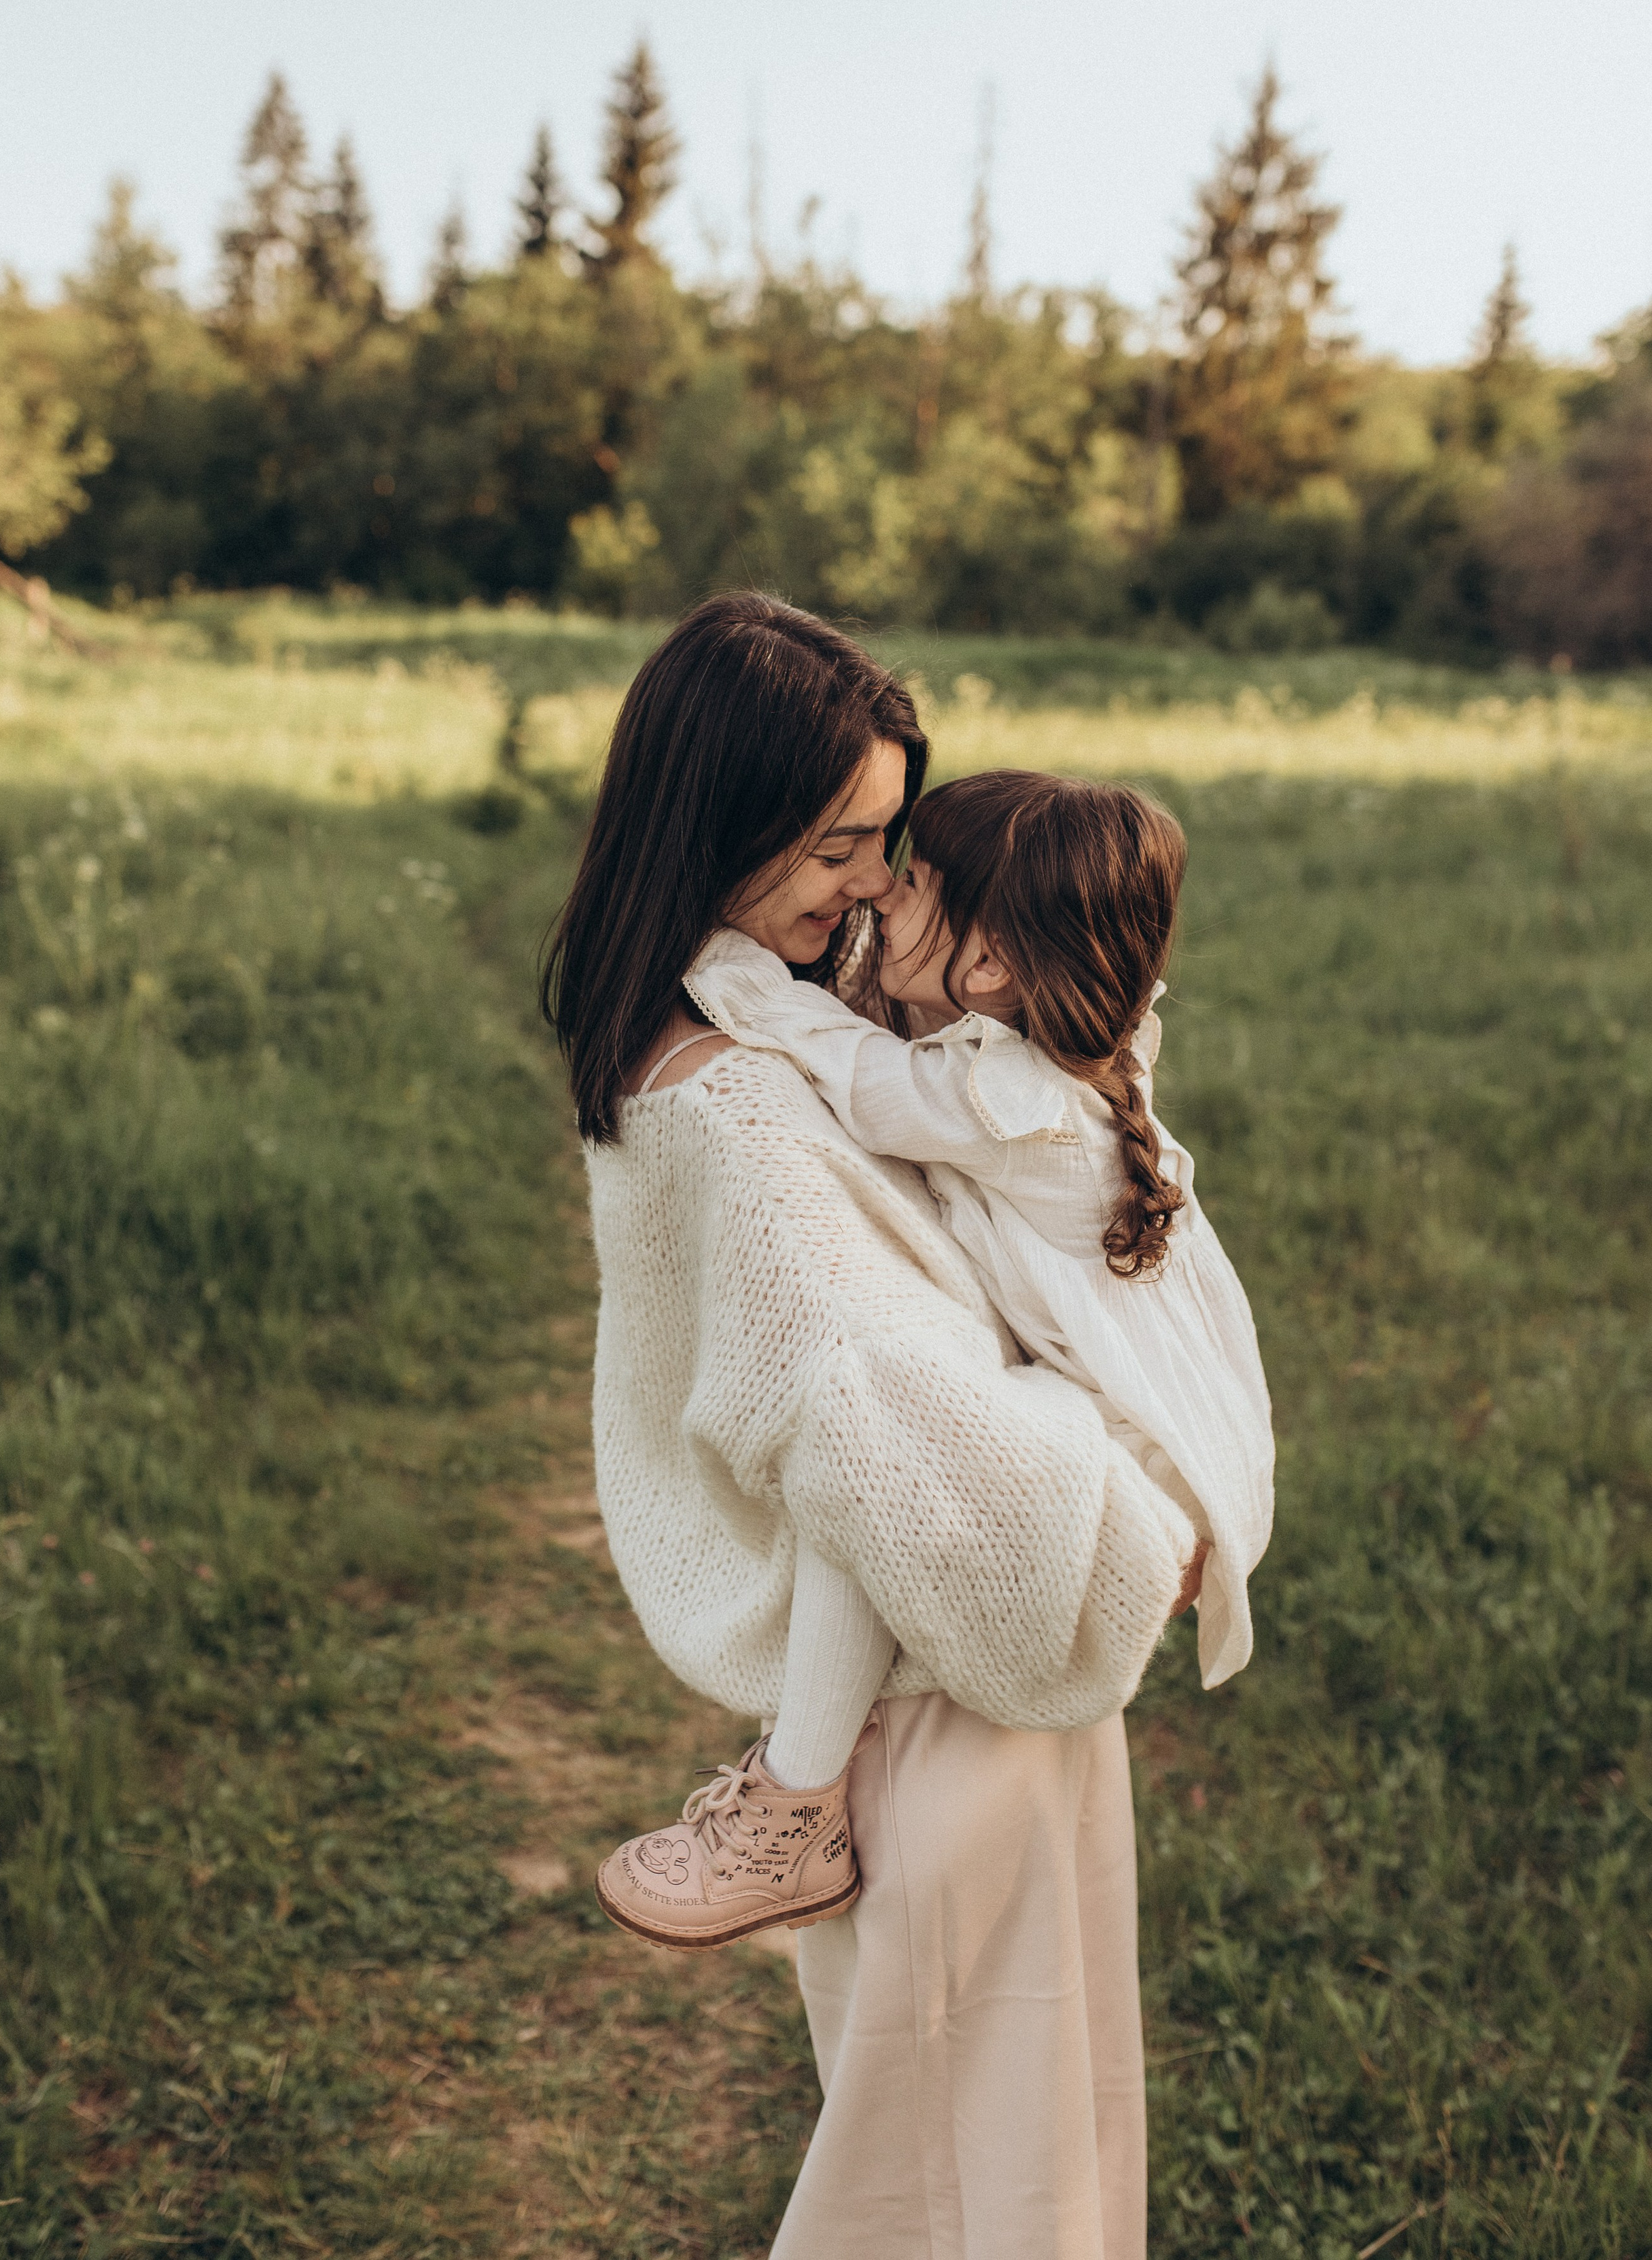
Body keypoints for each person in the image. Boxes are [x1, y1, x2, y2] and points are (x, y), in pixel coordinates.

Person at [544, 591, 1201, 2259]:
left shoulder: (705, 1008)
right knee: (971, 2179)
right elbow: (881, 1428)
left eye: (886, 841)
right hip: (952, 1687)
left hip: (940, 1668)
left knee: (967, 2140)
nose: (872, 886)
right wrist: (1138, 1503)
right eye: (840, 845)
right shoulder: (750, 1115)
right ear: (725, 822)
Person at [599, 767, 1272, 1928]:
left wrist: (725, 964)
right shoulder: (1029, 1044)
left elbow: (860, 1080)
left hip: (1125, 1428)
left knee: (865, 1474)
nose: (880, 895)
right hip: (1119, 1387)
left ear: (997, 965)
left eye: (909, 880)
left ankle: (796, 1808)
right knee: (866, 1468)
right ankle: (800, 1791)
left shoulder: (1003, 1095)